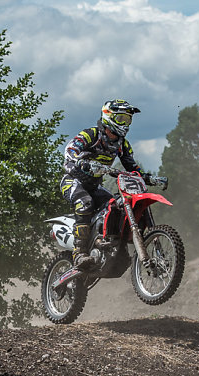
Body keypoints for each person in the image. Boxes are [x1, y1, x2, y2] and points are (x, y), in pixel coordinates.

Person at [61, 99, 154, 270]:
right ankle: (79, 253)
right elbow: (70, 150)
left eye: (127, 120)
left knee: (116, 207)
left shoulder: (122, 144)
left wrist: (148, 177)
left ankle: (111, 246)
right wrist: (80, 161)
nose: (124, 124)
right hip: (73, 181)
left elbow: (132, 167)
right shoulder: (91, 134)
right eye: (121, 119)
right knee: (85, 204)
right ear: (108, 117)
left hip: (95, 186)